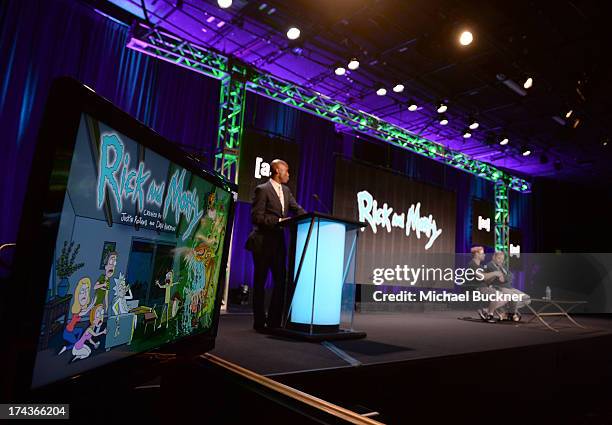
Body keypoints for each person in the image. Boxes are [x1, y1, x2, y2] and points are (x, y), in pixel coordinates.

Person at [245, 159, 306, 331]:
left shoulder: (286, 190)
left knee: (281, 282)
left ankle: (273, 321)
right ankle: (259, 322)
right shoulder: (262, 190)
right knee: (260, 282)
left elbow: (296, 208)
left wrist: (311, 218)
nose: (289, 174)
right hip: (262, 242)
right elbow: (256, 217)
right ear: (278, 171)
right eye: (286, 171)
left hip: (278, 244)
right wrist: (279, 221)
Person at [486, 251, 531, 321]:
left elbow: (511, 276)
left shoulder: (503, 266)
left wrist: (506, 277)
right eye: (499, 258)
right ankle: (511, 313)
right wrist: (506, 277)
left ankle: (507, 311)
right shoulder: (490, 265)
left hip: (509, 287)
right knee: (514, 297)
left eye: (502, 259)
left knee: (527, 299)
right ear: (493, 257)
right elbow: (501, 279)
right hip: (500, 287)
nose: (501, 260)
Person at [466, 246, 507, 323]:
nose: (484, 255)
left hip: (484, 287)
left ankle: (486, 310)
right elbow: (482, 277)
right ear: (477, 254)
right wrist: (495, 273)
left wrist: (495, 276)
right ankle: (490, 314)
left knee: (505, 298)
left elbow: (487, 280)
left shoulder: (481, 266)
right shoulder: (472, 265)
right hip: (477, 288)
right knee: (498, 295)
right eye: (482, 253)